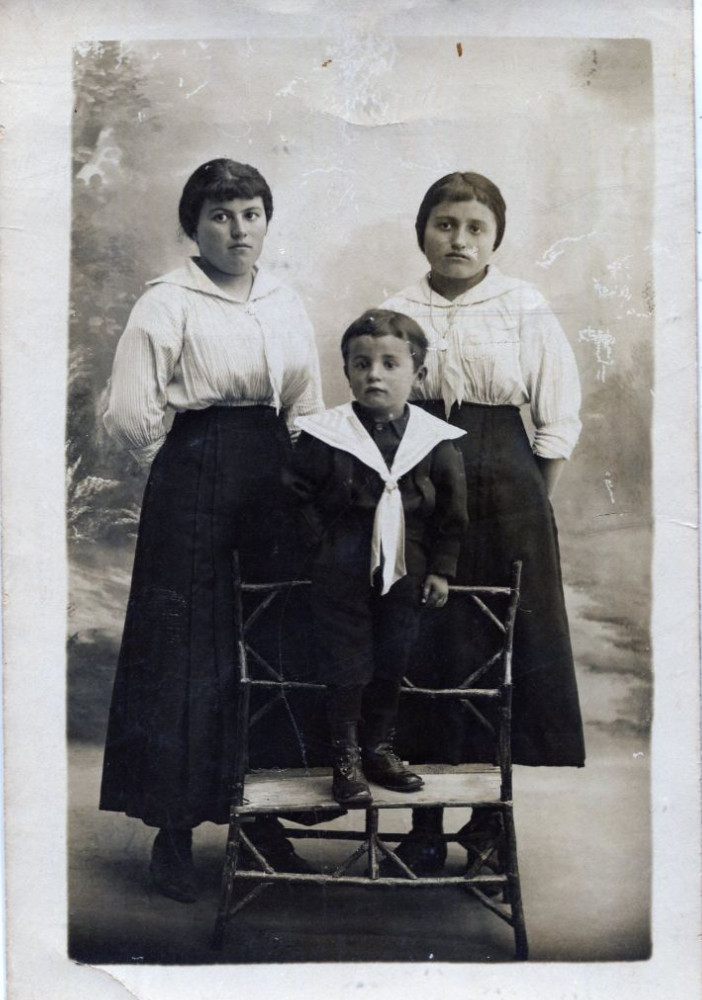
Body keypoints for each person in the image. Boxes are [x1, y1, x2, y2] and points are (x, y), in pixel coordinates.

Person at [99, 158, 324, 902]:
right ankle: (174, 830)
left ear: (266, 221)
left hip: (273, 478)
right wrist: (182, 466)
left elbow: (305, 403)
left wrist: (298, 477)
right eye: (222, 215)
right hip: (194, 476)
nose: (239, 229)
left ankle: (262, 822)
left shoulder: (284, 301)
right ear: (193, 227)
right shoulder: (167, 302)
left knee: (268, 638)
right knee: (190, 644)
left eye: (251, 213)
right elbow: (131, 413)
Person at [381, 171, 586, 874]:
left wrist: (526, 505)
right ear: (422, 231)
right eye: (444, 224)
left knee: (495, 654)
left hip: (507, 493)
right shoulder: (395, 308)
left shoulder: (524, 306)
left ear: (495, 236)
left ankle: (487, 821)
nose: (458, 239)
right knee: (422, 649)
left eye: (473, 227)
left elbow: (556, 421)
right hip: (418, 491)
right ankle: (423, 824)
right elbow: (375, 402)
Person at [284, 309, 468, 806]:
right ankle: (344, 755)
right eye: (361, 364)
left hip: (406, 570)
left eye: (390, 364)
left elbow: (451, 514)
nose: (375, 375)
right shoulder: (327, 435)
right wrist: (321, 549)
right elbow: (296, 497)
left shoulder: (433, 440)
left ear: (418, 373)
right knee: (348, 664)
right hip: (341, 568)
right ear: (346, 372)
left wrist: (442, 571)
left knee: (393, 657)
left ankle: (379, 747)